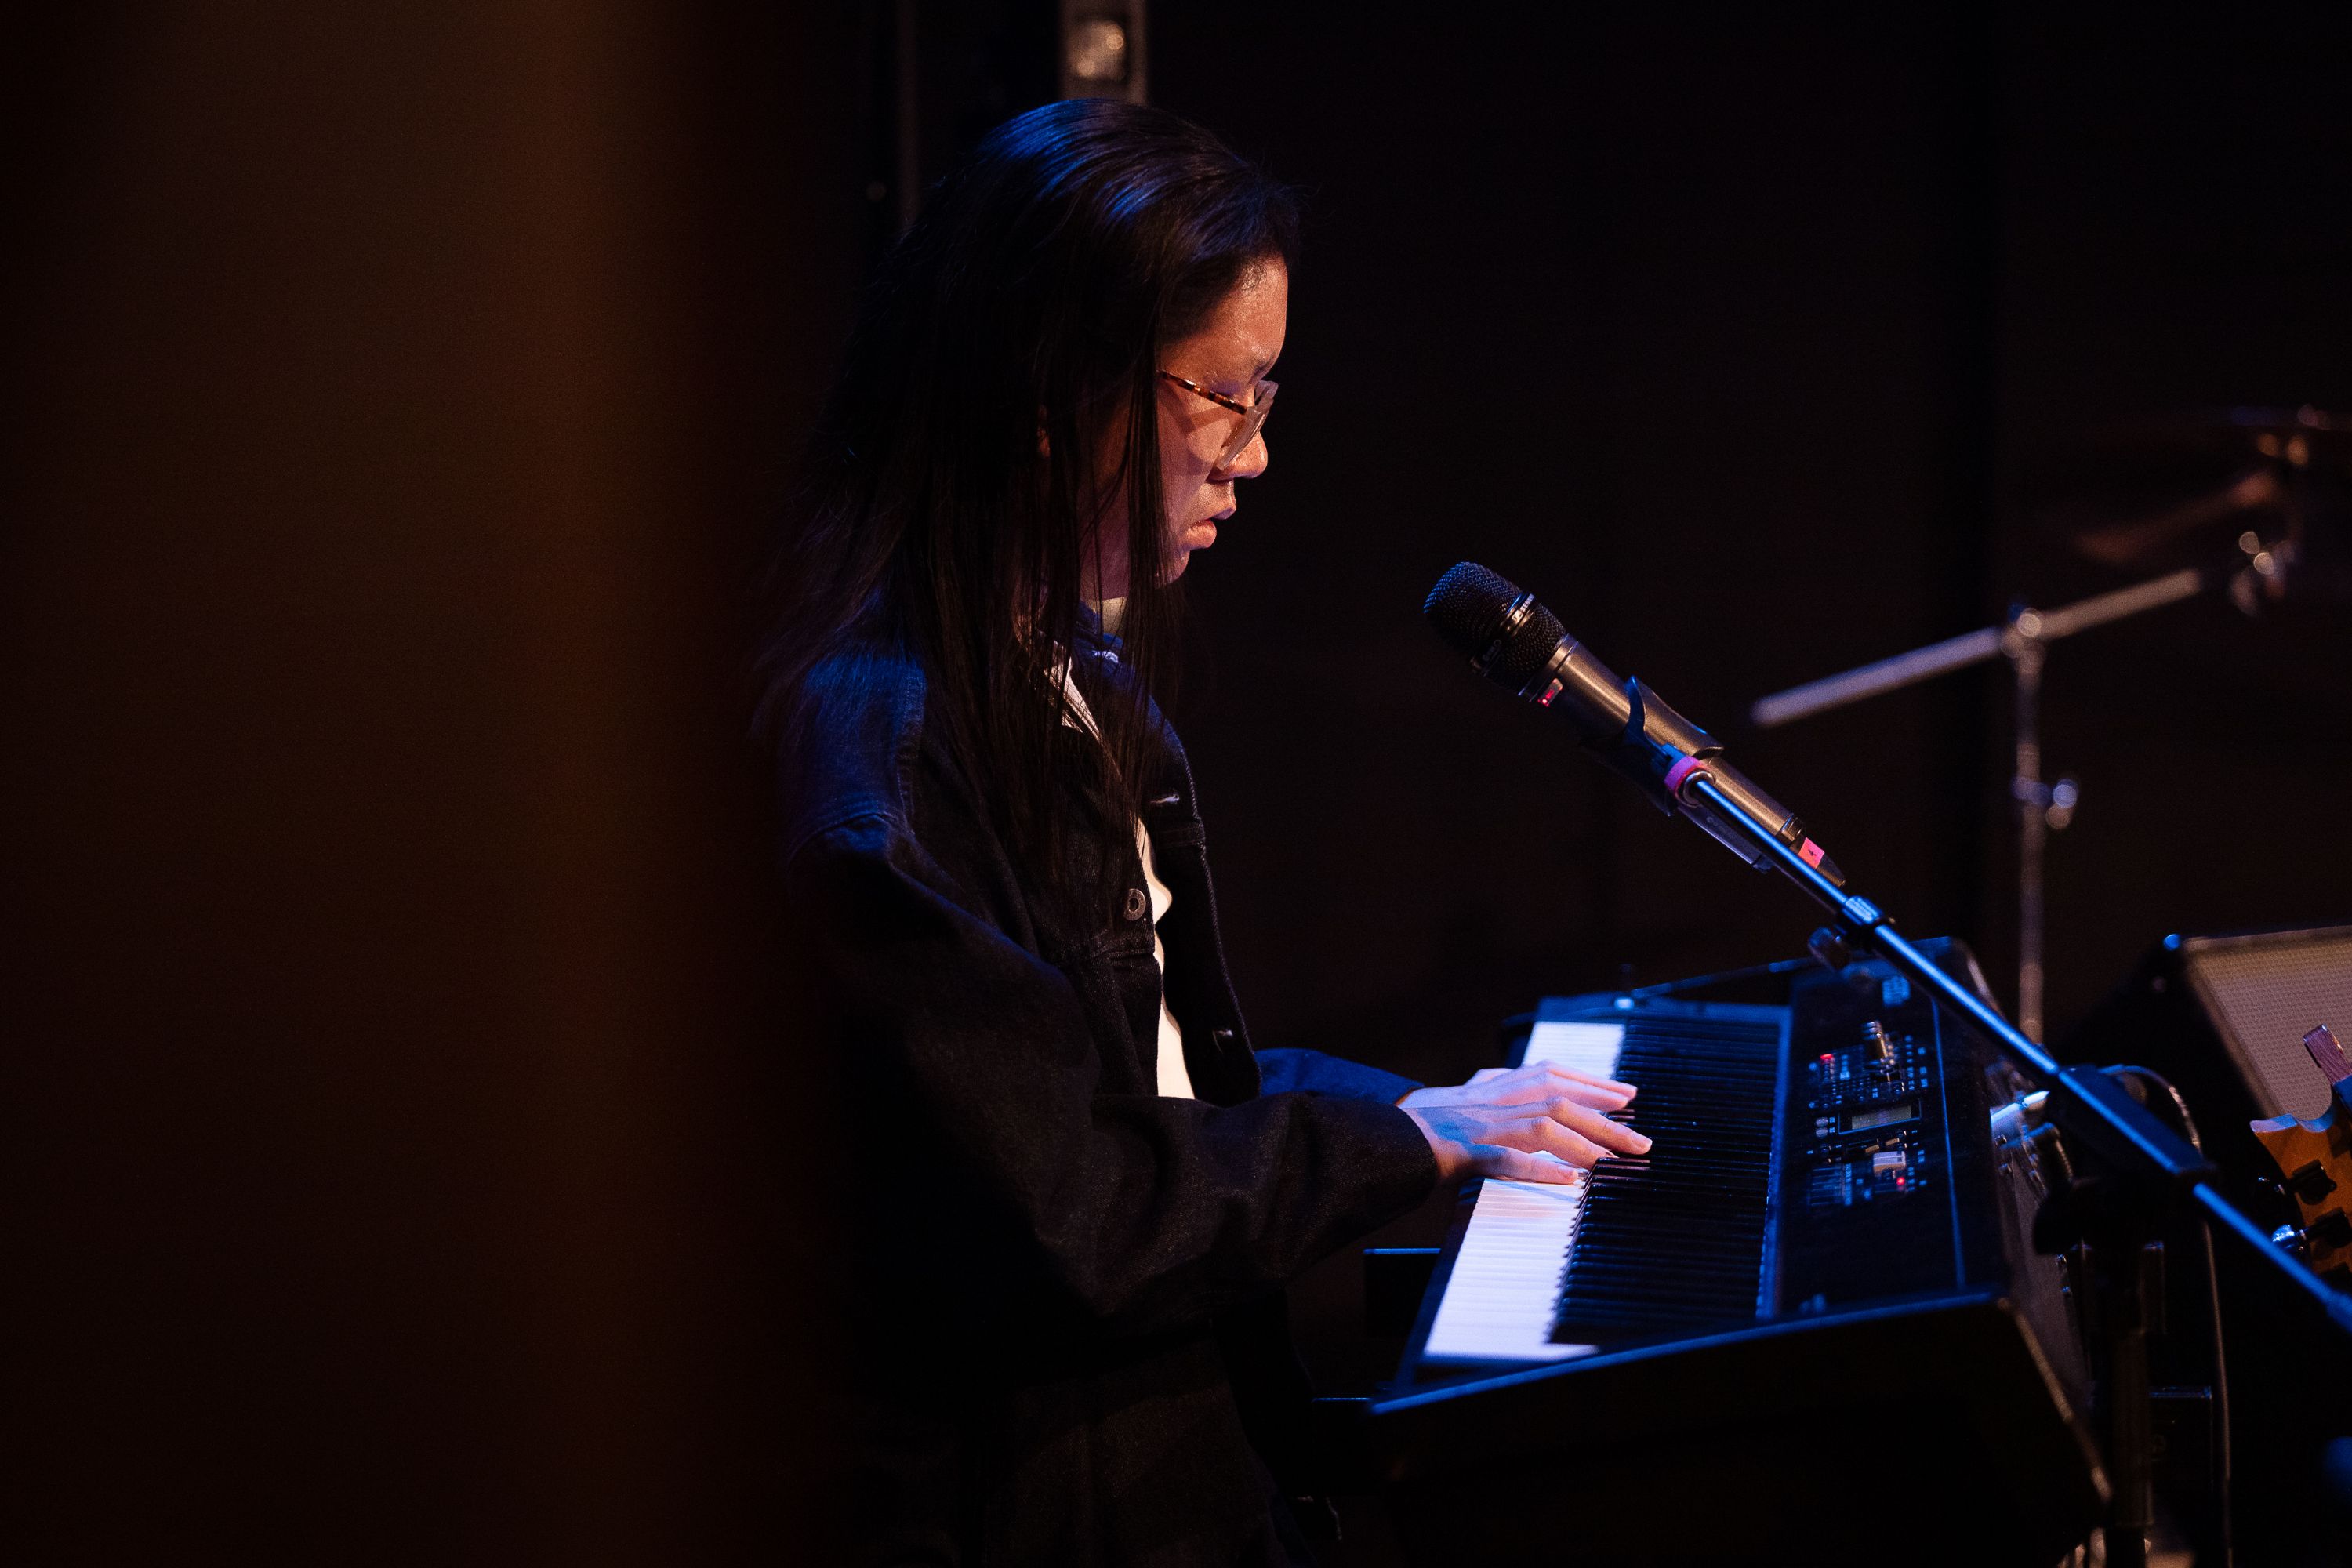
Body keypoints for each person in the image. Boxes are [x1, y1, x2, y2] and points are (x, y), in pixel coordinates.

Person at [759, 98, 1647, 1566]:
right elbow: (1079, 1210)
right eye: (1224, 398)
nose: (1253, 454)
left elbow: (1159, 1089)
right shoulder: (883, 755)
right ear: (1056, 397)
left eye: (1266, 400)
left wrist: (1439, 1115)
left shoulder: (1077, 688)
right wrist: (1399, 1143)